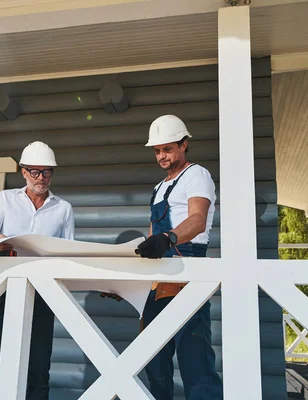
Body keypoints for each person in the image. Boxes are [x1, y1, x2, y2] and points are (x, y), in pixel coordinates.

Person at [0, 141, 74, 400]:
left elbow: (69, 252)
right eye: (35, 172)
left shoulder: (63, 208)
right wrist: (2, 241)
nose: (41, 178)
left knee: (39, 369)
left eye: (47, 172)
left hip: (43, 296)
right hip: (3, 294)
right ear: (23, 172)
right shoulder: (6, 199)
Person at [135, 115, 223, 399]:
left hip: (188, 271)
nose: (161, 156)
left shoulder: (197, 175)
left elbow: (197, 220)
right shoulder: (159, 187)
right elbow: (152, 237)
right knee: (155, 362)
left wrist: (167, 238)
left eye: (167, 149)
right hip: (158, 277)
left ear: (184, 145)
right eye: (157, 151)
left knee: (194, 361)